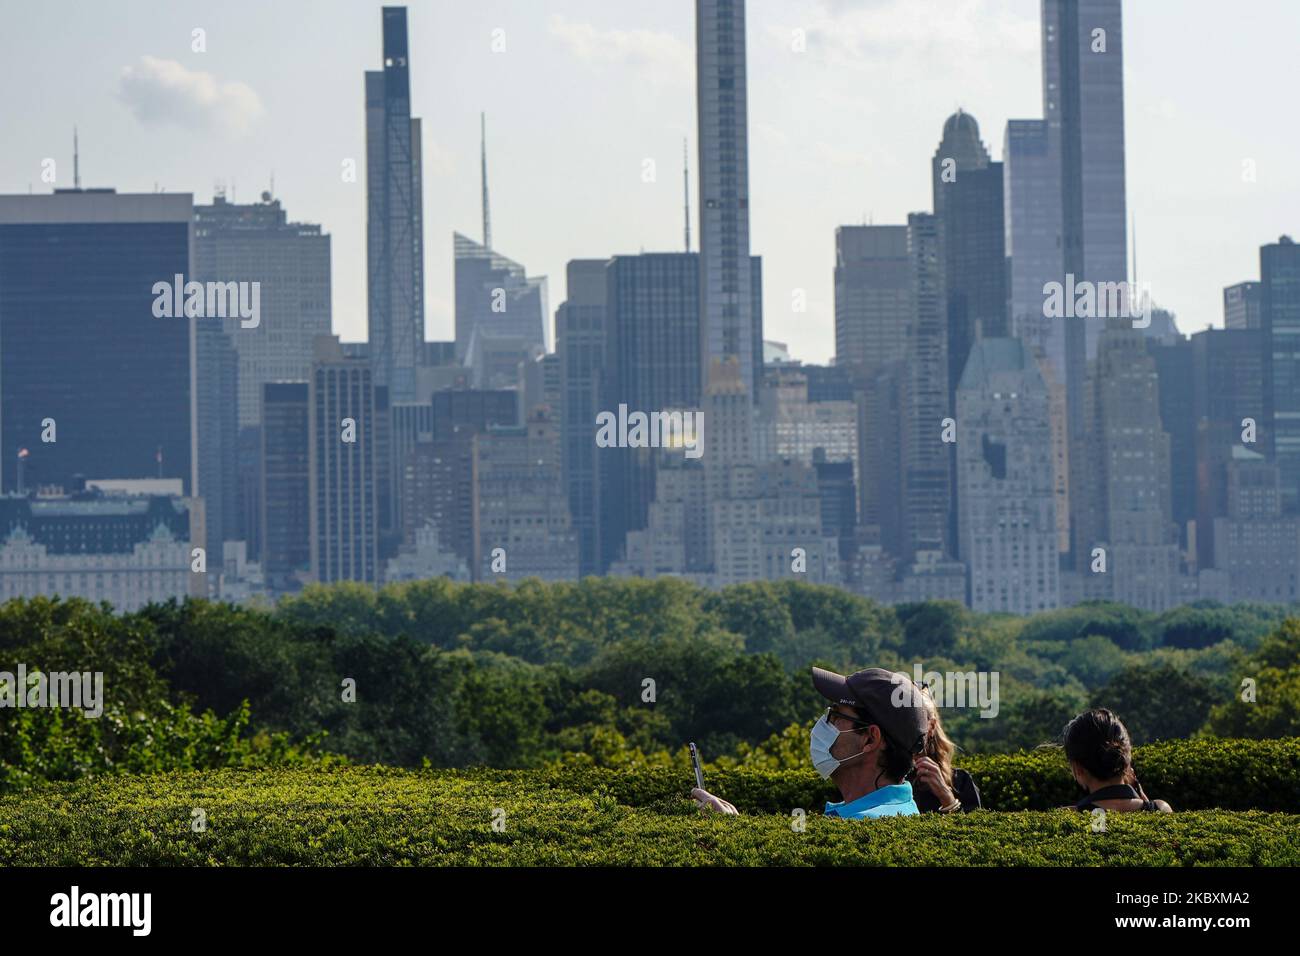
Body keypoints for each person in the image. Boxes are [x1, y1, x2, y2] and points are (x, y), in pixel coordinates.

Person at [691, 666, 930, 820]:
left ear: (870, 739)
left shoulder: (867, 826)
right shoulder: (879, 814)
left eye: (835, 715)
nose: (822, 724)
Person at [1062, 708, 1172, 813]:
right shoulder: (1161, 809)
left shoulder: (1065, 817)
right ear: (1126, 757)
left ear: (1078, 768)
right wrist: (1145, 803)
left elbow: (1100, 828)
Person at [910, 687, 981, 813]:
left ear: (931, 726)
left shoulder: (960, 781)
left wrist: (946, 797)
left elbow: (975, 829)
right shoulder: (882, 777)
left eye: (913, 721)